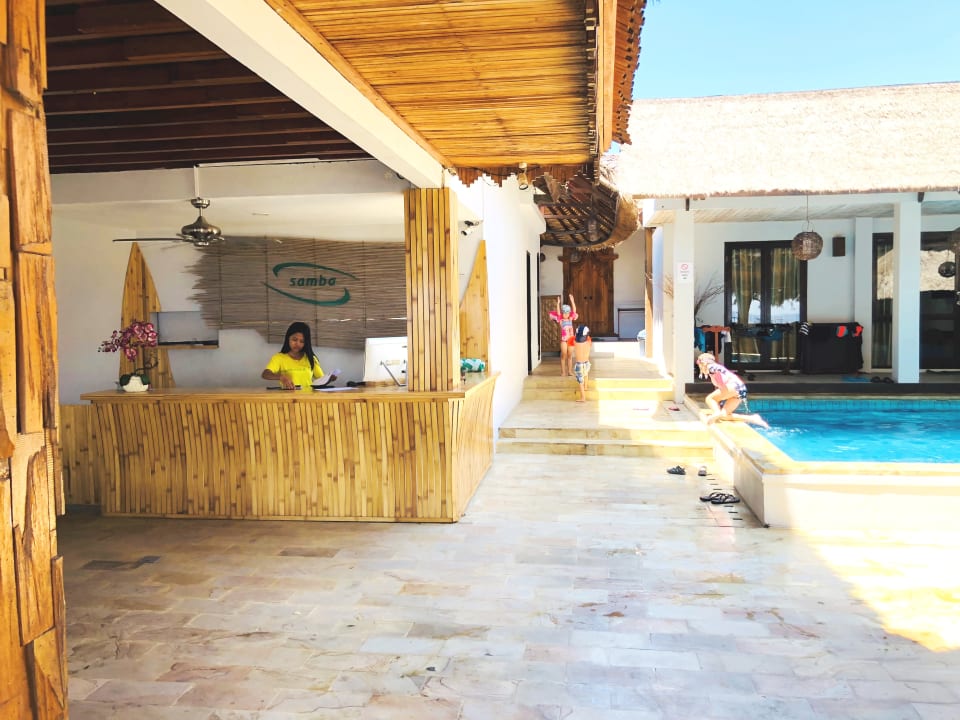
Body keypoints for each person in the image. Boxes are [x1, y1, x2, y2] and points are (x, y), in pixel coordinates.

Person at [696, 352, 769, 428]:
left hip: (734, 386)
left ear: (703, 363)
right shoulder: (715, 368)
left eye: (699, 364)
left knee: (709, 398)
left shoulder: (711, 367)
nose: (699, 367)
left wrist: (716, 411)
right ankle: (752, 418)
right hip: (741, 389)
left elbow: (717, 373)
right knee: (724, 416)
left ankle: (717, 413)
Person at [261, 321, 336, 390]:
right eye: (294, 339)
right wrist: (281, 377)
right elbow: (265, 374)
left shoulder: (311, 358)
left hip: (309, 398)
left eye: (302, 341)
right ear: (288, 338)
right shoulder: (279, 357)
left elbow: (321, 380)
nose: (297, 344)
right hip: (287, 398)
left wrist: (329, 379)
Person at [548, 293, 578, 377]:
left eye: (567, 313)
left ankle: (570, 371)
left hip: (571, 339)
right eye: (564, 313)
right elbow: (558, 313)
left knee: (570, 355)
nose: (566, 314)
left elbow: (574, 310)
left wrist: (572, 301)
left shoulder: (570, 319)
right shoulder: (561, 320)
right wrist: (558, 303)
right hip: (564, 340)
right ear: (562, 313)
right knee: (563, 355)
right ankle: (563, 372)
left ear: (569, 313)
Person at [572, 324, 592, 402]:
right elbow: (588, 338)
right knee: (586, 374)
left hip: (579, 364)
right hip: (587, 363)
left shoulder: (575, 342)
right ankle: (586, 387)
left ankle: (583, 397)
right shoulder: (588, 342)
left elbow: (574, 338)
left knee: (580, 381)